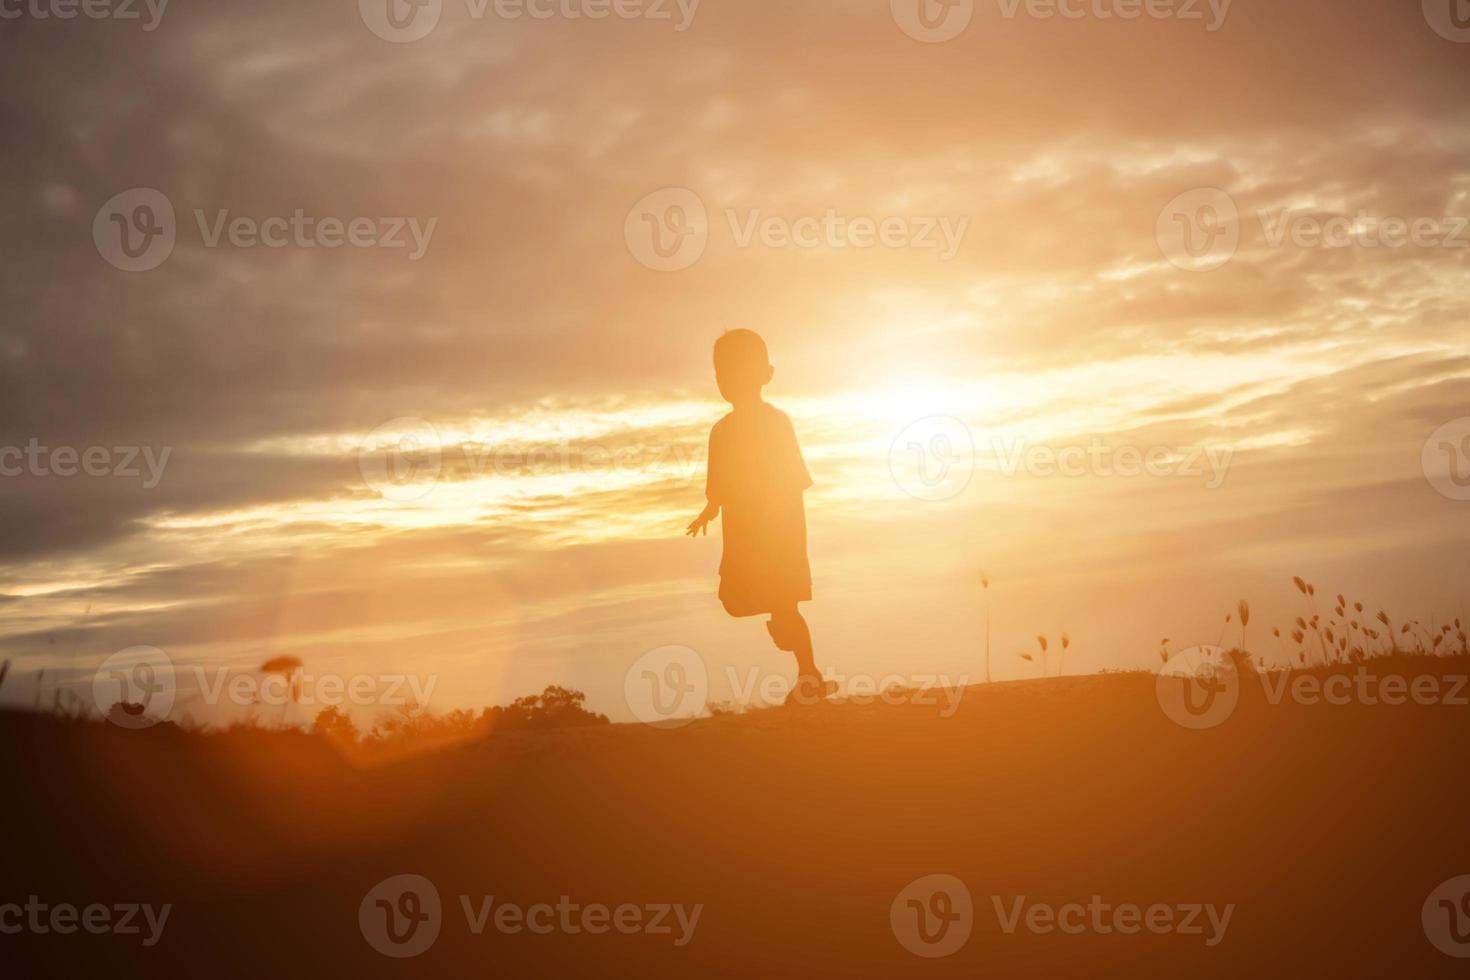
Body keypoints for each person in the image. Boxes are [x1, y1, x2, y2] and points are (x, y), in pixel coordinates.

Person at [686, 329, 832, 705]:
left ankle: (809, 675)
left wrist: (777, 525)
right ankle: (798, 653)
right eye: (723, 374)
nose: (730, 381)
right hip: (744, 533)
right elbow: (717, 480)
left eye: (740, 371)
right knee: (737, 601)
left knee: (785, 603)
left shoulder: (777, 422)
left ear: (767, 373)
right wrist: (710, 509)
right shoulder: (721, 431)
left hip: (779, 531)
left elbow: (793, 480)